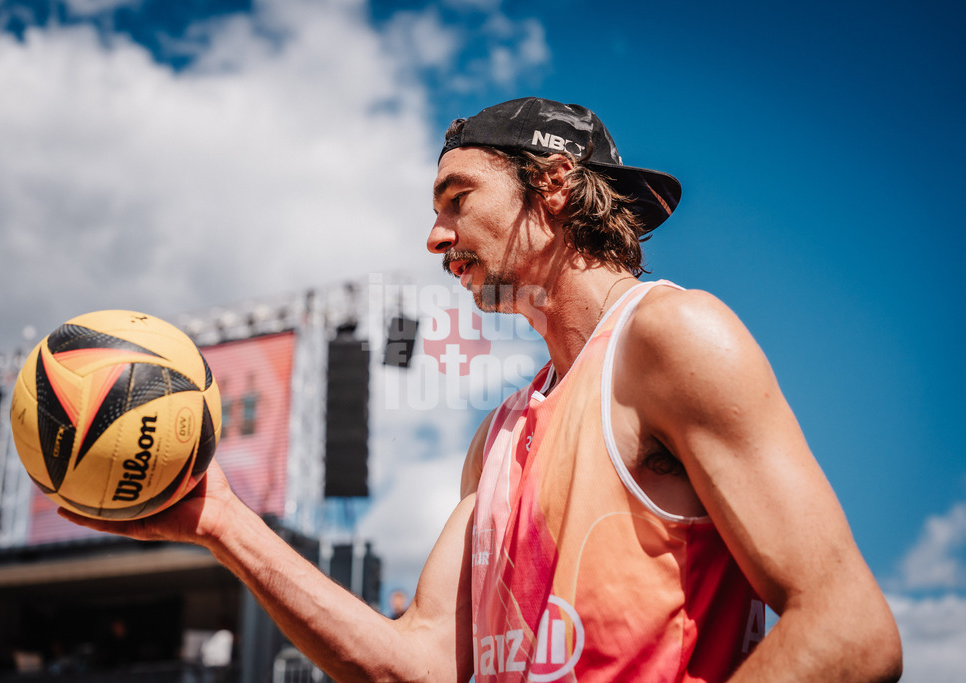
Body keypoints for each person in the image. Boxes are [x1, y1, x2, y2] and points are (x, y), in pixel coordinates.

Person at [61, 97, 903, 681]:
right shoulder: (499, 433)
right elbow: (417, 665)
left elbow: (850, 632)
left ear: (554, 186)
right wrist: (219, 522)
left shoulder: (669, 336)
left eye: (456, 199)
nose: (434, 236)